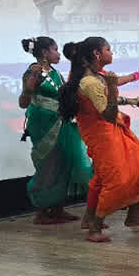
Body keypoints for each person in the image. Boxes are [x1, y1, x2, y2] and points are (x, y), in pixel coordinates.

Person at [57, 37, 139, 242]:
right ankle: (94, 227)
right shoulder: (89, 82)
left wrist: (136, 79)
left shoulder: (98, 76)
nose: (111, 53)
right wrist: (112, 88)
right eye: (108, 49)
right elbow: (108, 114)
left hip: (112, 129)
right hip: (101, 133)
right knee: (115, 179)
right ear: (97, 54)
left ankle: (133, 215)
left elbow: (112, 90)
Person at [19, 36, 91, 224]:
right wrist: (30, 85)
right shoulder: (32, 72)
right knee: (48, 165)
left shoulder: (55, 72)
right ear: (44, 52)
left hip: (62, 122)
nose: (59, 54)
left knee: (63, 162)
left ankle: (58, 209)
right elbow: (23, 102)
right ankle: (42, 212)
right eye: (55, 50)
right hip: (43, 125)